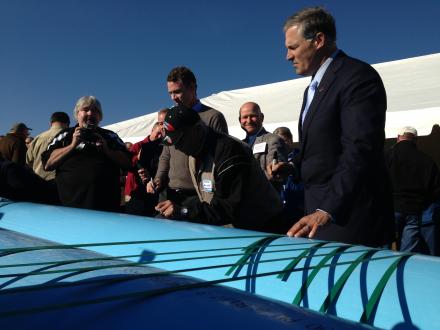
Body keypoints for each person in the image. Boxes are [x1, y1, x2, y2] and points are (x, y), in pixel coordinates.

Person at [275, 7, 393, 247]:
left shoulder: (357, 77)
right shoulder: (313, 87)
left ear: (318, 40)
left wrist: (327, 209)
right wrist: (292, 167)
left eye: (293, 47)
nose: (288, 56)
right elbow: (322, 149)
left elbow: (359, 149)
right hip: (318, 215)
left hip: (346, 220)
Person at [155, 105, 285, 232]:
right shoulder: (194, 154)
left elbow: (228, 207)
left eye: (180, 140)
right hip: (232, 229)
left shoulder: (230, 151)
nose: (177, 148)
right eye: (174, 143)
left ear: (198, 129)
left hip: (264, 231)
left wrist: (184, 211)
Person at [149, 66, 228, 206]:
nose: (173, 98)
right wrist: (158, 179)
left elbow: (221, 158)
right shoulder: (170, 118)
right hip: (170, 193)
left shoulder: (212, 117)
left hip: (199, 195)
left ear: (192, 87)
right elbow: (166, 154)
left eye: (178, 92)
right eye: (170, 93)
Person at [42, 96, 130, 212]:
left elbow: (128, 163)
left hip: (106, 209)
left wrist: (107, 150)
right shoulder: (65, 135)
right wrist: (72, 146)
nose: (90, 113)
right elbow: (48, 164)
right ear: (77, 114)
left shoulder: (110, 136)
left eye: (95, 111)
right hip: (69, 208)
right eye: (86, 109)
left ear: (100, 116)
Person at [386, 126, 440, 255]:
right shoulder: (427, 160)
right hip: (414, 210)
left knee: (383, 248)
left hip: (389, 208)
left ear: (398, 138)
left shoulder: (387, 156)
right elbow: (436, 189)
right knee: (408, 252)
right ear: (416, 140)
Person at [124, 109, 167, 216]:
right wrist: (137, 159)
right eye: (157, 133)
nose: (159, 136)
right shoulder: (139, 146)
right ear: (152, 130)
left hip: (152, 191)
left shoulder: (162, 148)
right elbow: (128, 162)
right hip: (135, 190)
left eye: (161, 134)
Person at [239, 102, 287, 191]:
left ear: (262, 117)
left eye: (253, 116)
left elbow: (276, 174)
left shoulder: (273, 140)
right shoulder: (239, 144)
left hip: (265, 201)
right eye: (245, 117)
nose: (249, 121)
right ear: (240, 120)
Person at [26, 111, 70, 181]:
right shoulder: (70, 137)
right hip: (58, 182)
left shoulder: (37, 138)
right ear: (68, 123)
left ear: (50, 123)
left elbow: (29, 161)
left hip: (38, 181)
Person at [273, 127, 304, 225]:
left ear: (291, 140)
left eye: (284, 140)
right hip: (280, 211)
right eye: (279, 141)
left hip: (299, 208)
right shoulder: (273, 161)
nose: (282, 144)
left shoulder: (301, 158)